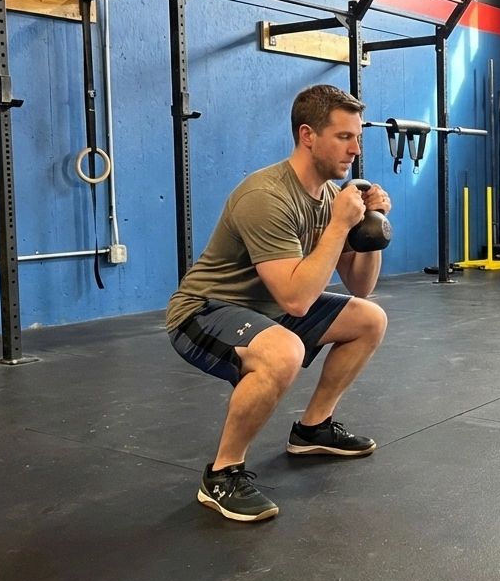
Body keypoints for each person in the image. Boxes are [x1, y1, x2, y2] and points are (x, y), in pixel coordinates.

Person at [167, 84, 391, 523]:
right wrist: (339, 226)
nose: (355, 149)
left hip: (269, 308)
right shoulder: (266, 196)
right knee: (283, 351)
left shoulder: (331, 199)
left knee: (368, 319)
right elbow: (296, 297)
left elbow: (360, 286)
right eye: (344, 137)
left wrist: (371, 228)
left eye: (358, 137)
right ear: (308, 135)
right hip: (205, 310)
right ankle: (221, 474)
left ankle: (313, 430)